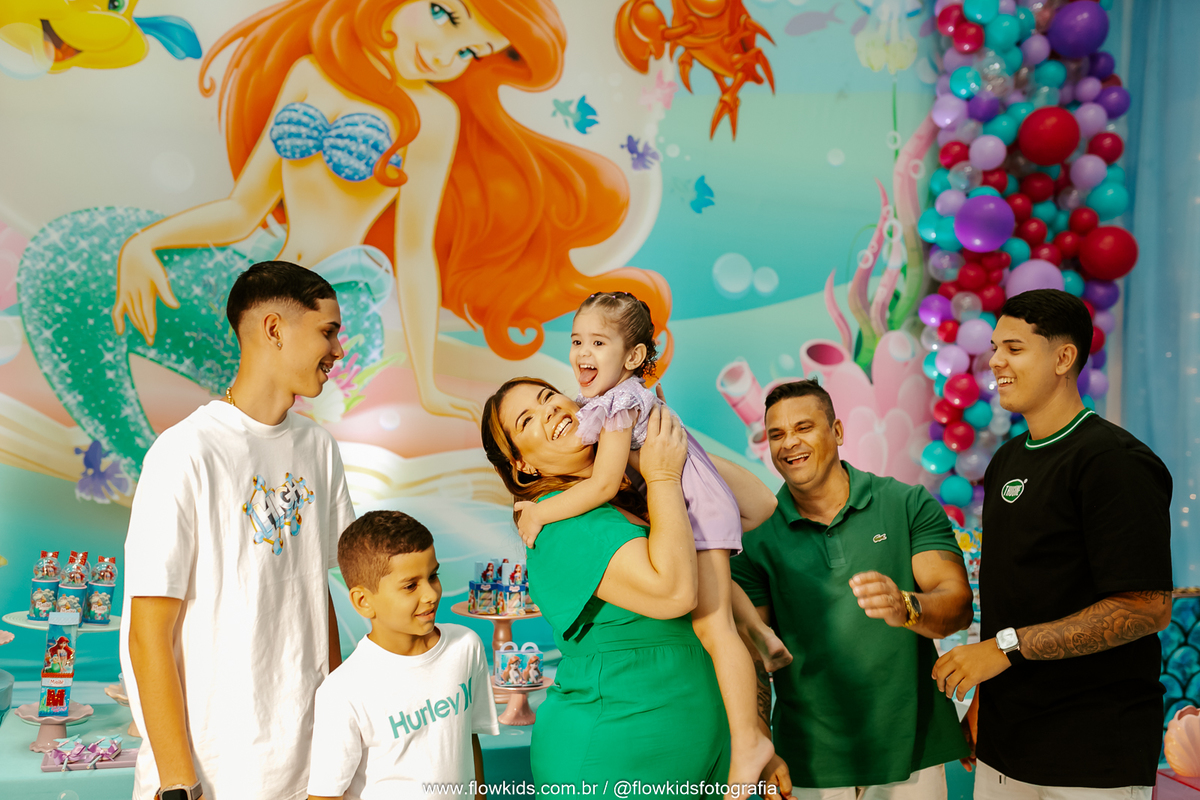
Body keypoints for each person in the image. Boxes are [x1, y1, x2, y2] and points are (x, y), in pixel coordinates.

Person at [18, 0, 674, 477]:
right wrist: (143, 245)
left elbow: (414, 254)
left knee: (271, 428)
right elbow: (244, 208)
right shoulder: (310, 74)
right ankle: (148, 470)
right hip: (264, 275)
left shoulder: (434, 115)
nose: (446, 54)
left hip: (337, 296)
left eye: (470, 50)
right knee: (78, 257)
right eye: (446, 16)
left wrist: (426, 384)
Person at [514, 291, 787, 784]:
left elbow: (761, 505)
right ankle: (759, 657)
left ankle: (751, 734)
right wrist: (656, 467)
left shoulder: (621, 415)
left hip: (680, 755)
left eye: (548, 398)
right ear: (522, 465)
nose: (583, 353)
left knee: (717, 623)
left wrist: (667, 453)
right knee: (718, 615)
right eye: (576, 342)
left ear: (633, 356)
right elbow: (676, 590)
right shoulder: (578, 518)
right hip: (617, 755)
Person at [120, 261, 357, 800]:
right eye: (328, 331)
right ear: (274, 329)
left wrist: (337, 731)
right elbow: (147, 632)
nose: (338, 350)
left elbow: (314, 590)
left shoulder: (319, 448)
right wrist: (178, 781)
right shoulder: (185, 453)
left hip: (309, 767)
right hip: (212, 772)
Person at [932, 289, 1173, 797]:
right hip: (1004, 749)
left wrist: (1005, 649)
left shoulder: (1113, 460)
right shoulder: (1006, 461)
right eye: (994, 348)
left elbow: (1146, 609)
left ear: (1064, 358)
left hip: (1091, 757)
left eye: (1014, 348)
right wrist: (984, 699)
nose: (995, 361)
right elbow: (1013, 600)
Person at [731, 379, 973, 799]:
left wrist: (906, 606)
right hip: (808, 762)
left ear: (838, 432)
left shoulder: (906, 503)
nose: (790, 443)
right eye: (777, 434)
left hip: (912, 752)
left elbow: (957, 606)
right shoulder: (754, 537)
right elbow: (751, 655)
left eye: (804, 427)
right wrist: (760, 742)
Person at [307, 510, 498, 799]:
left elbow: (468, 739)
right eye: (411, 585)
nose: (431, 594)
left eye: (433, 576)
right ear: (363, 601)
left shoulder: (465, 647)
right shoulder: (342, 691)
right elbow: (325, 794)